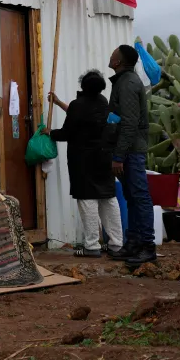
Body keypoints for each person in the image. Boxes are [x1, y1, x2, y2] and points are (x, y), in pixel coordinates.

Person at [50, 70, 122, 258]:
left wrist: (50, 133)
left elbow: (68, 132)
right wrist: (58, 103)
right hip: (104, 157)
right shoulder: (103, 102)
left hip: (83, 160)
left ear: (83, 86)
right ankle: (116, 244)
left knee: (88, 199)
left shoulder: (78, 105)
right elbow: (83, 117)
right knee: (108, 198)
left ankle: (92, 246)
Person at [108, 44, 154, 266]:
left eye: (114, 53)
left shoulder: (127, 84)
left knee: (139, 196)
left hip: (130, 151)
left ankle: (147, 246)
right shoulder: (125, 81)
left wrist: (118, 156)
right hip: (127, 149)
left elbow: (129, 123)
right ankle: (134, 244)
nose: (111, 55)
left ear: (118, 61)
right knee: (132, 197)